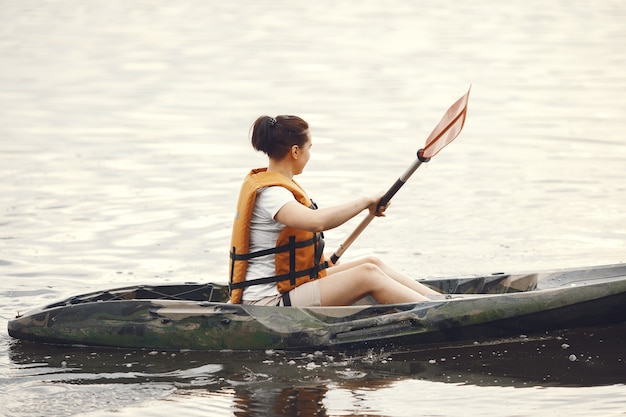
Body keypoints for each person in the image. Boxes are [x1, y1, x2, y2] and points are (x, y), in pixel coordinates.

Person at [228, 115, 441, 307]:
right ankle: (440, 315)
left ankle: (442, 302)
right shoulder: (272, 195)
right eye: (309, 147)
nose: (309, 154)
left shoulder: (277, 186)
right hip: (267, 303)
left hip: (289, 288)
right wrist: (366, 201)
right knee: (368, 275)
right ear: (295, 151)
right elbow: (316, 222)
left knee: (372, 263)